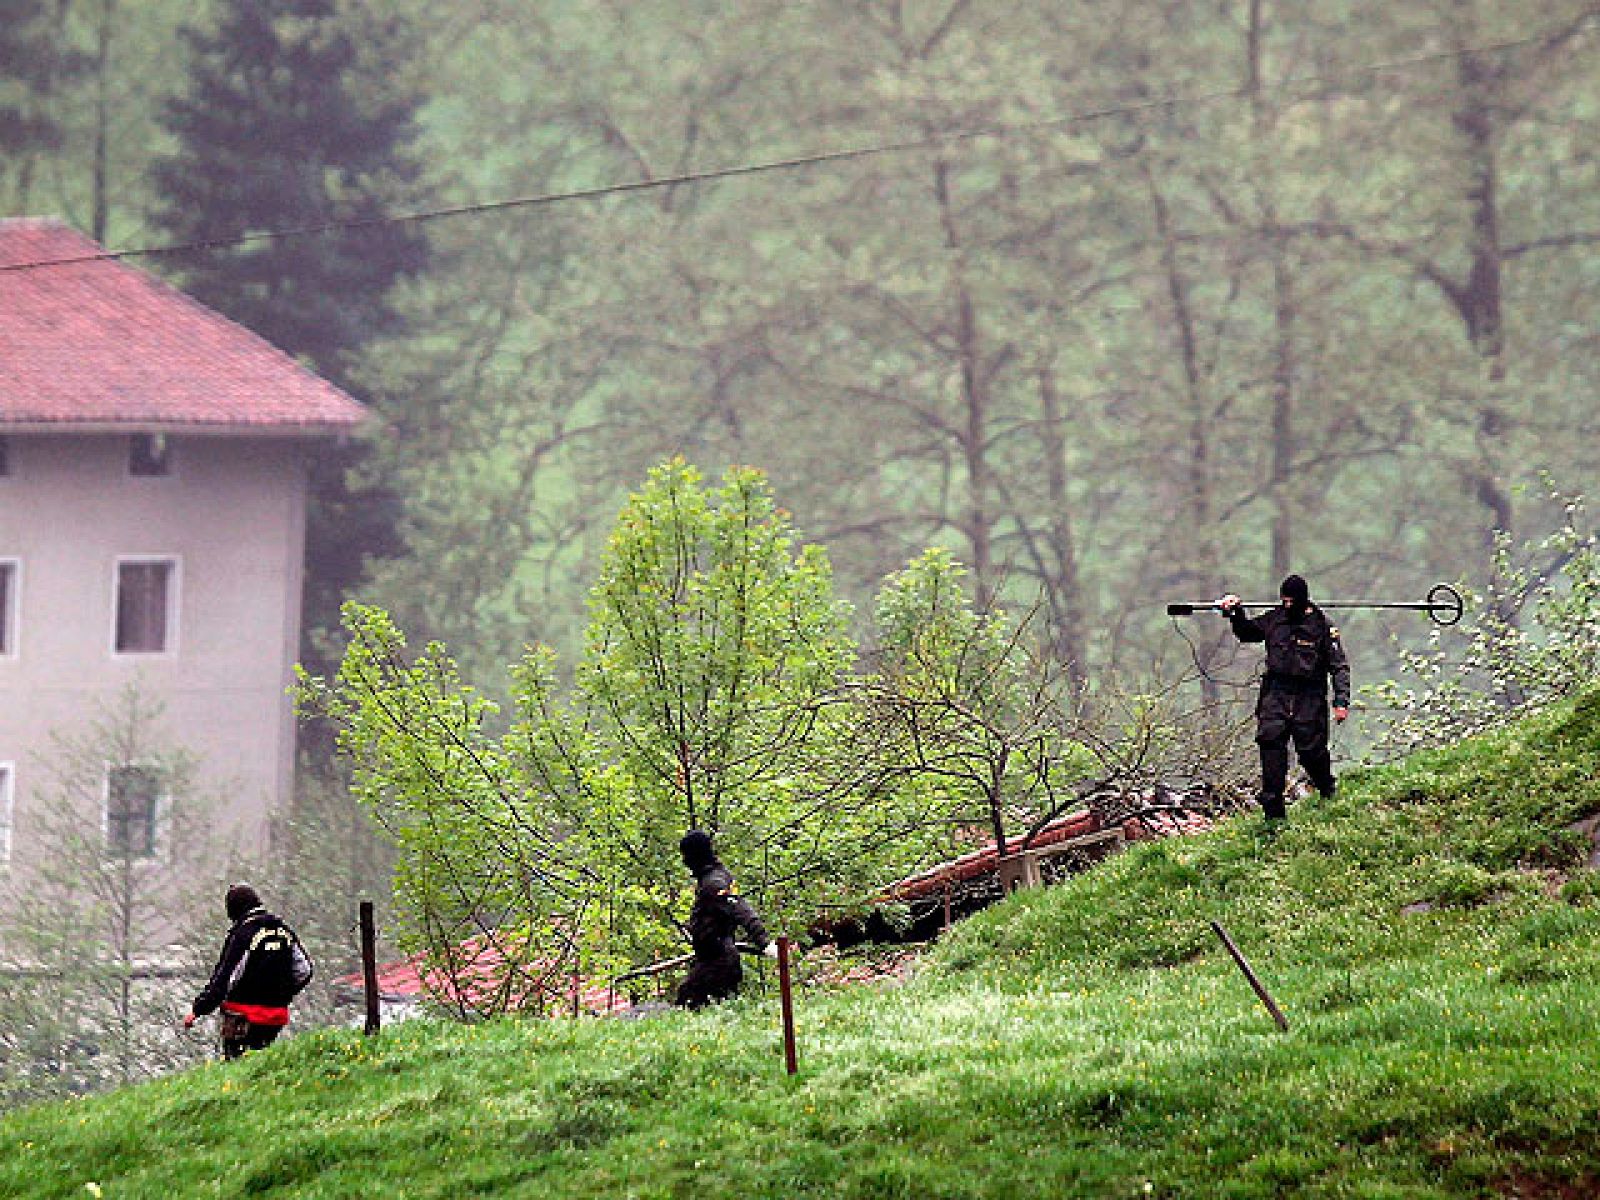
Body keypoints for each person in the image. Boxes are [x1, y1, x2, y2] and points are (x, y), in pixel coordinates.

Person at [1220, 574, 1351, 822]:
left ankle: (1326, 788)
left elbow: (1339, 667)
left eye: (1292, 601)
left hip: (1309, 696)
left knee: (1311, 752)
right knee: (1270, 747)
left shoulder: (1322, 626)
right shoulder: (1274, 620)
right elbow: (1248, 633)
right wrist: (1236, 612)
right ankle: (1273, 815)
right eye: (1284, 601)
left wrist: (1341, 701)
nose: (1288, 606)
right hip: (1275, 694)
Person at [184, 883, 314, 1059]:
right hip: (275, 1016)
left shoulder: (243, 934)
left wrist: (198, 1009)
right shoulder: (283, 930)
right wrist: (283, 993)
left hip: (242, 1017)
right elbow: (304, 970)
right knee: (263, 1060)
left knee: (237, 1066)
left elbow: (226, 979)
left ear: (233, 910)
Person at [674, 830, 776, 1010]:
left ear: (695, 855)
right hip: (712, 959)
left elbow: (741, 910)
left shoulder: (714, 883)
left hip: (719, 962)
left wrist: (764, 943)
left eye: (686, 855)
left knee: (689, 1006)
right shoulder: (713, 877)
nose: (684, 861)